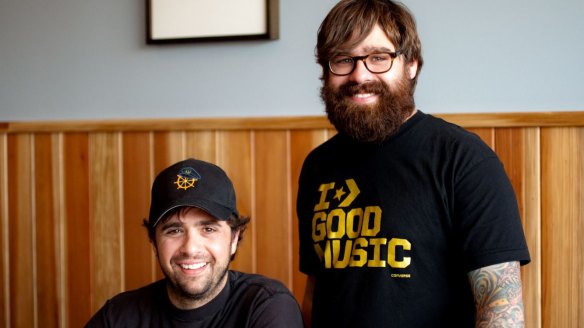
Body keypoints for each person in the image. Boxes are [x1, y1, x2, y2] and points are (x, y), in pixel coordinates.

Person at [296, 0, 531, 327]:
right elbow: (315, 293)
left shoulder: (463, 159)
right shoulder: (317, 166)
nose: (359, 74)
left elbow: (500, 307)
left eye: (378, 57)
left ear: (411, 65)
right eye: (343, 59)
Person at [86, 158, 304, 327]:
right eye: (174, 230)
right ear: (154, 242)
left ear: (234, 239)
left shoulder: (266, 306)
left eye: (208, 229)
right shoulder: (118, 317)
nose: (190, 248)